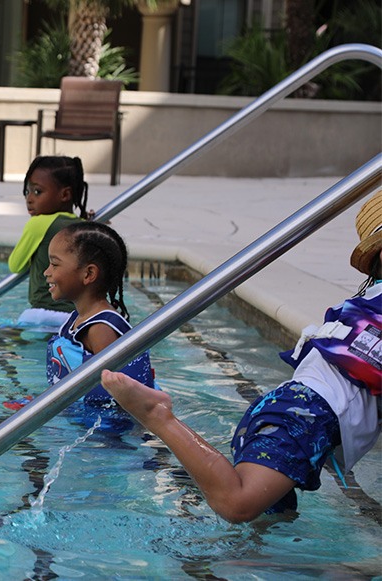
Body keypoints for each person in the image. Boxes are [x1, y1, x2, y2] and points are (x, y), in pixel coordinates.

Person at [101, 190, 382, 523]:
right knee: (237, 504)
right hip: (308, 415)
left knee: (271, 522)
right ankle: (158, 415)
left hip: (290, 408)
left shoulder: (370, 299)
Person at [5, 221, 155, 415]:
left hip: (105, 433)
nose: (46, 272)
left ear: (88, 274)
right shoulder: (78, 318)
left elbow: (116, 399)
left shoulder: (101, 328)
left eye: (55, 264)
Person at [8, 156, 89, 331]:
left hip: (42, 314)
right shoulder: (83, 226)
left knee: (0, 341)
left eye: (37, 192)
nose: (29, 198)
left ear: (65, 195)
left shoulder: (38, 224)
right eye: (27, 191)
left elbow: (15, 265)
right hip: (78, 317)